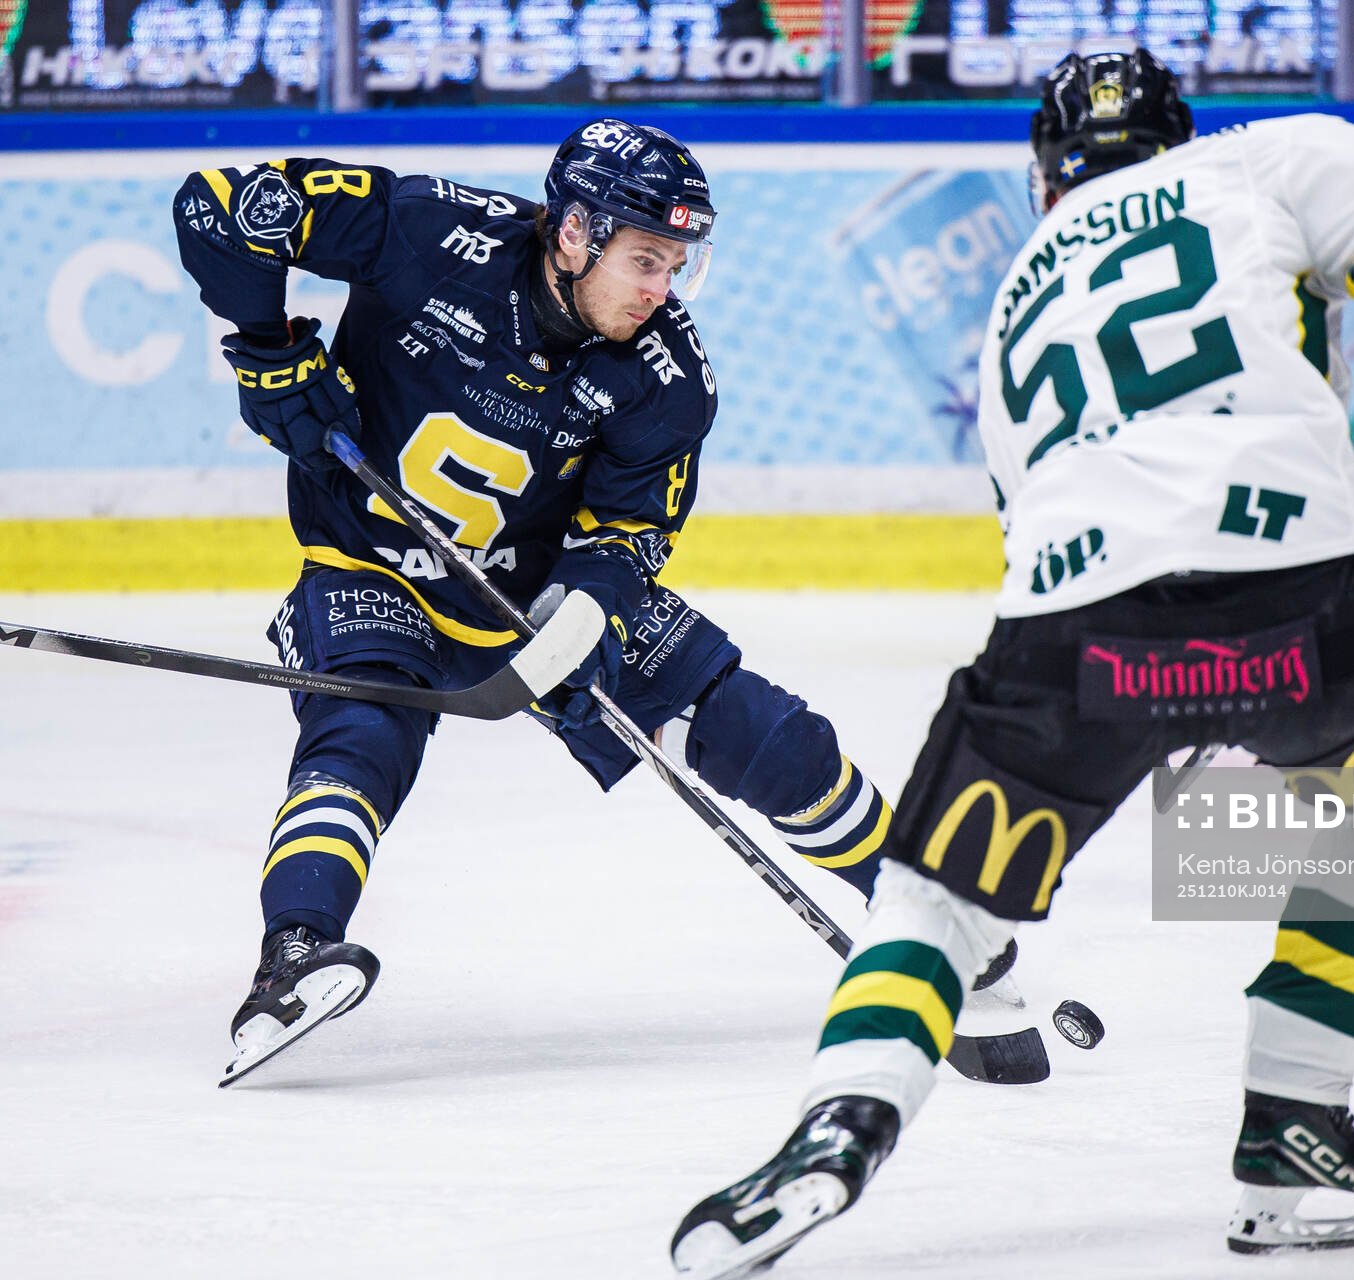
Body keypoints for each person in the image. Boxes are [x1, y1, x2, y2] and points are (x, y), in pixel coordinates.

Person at [670, 48, 1354, 1275]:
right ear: (1178, 131)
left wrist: (1152, 688)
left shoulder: (1015, 294)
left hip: (1078, 637)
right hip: (1308, 612)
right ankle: (1295, 1119)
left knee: (939, 892)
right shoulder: (1250, 162)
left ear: (1046, 177)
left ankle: (840, 1121)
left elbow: (1034, 517)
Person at [173, 120, 896, 1081]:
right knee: (362, 736)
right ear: (573, 233)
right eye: (643, 259)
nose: (659, 290)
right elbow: (219, 208)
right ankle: (293, 960)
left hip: (531, 599)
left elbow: (631, 532)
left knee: (756, 728)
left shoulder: (667, 377)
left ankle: (930, 911)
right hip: (368, 564)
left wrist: (583, 613)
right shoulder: (427, 232)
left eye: (675, 266)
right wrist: (266, 348)